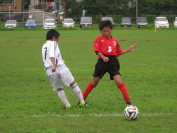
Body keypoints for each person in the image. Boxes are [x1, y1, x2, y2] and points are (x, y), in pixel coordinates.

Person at [82, 20, 137, 106]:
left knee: (118, 81)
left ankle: (128, 102)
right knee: (94, 82)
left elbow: (118, 52)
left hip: (113, 62)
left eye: (108, 31)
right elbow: (97, 51)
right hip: (102, 62)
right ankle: (82, 101)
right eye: (104, 31)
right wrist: (103, 57)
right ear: (101, 31)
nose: (106, 33)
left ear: (111, 30)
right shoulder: (99, 39)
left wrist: (128, 50)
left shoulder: (115, 40)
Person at [42, 29, 88, 108]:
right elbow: (52, 55)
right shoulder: (53, 43)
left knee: (59, 88)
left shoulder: (44, 46)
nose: (58, 41)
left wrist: (58, 61)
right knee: (72, 83)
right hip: (58, 67)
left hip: (49, 70)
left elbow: (48, 57)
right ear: (54, 38)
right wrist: (54, 65)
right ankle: (82, 102)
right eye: (57, 39)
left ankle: (67, 105)